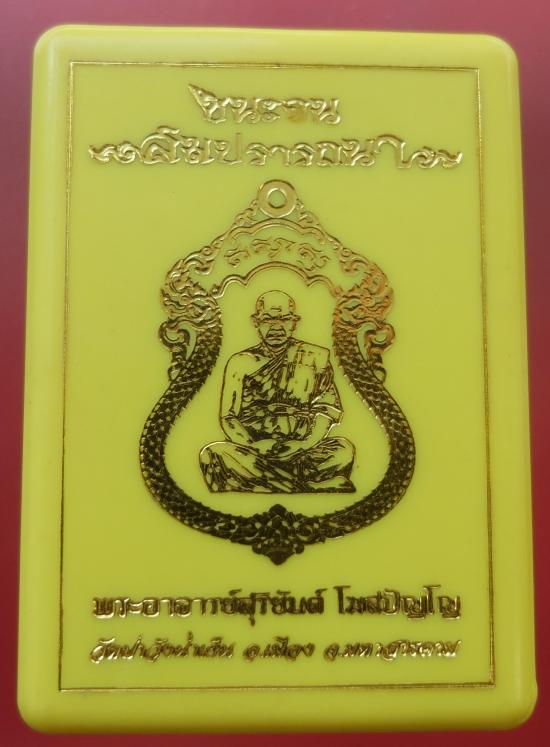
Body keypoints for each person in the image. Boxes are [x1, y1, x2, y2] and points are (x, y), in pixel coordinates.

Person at [199, 290, 355, 493]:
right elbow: (228, 417)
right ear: (256, 322)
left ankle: (271, 484)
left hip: (302, 450)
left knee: (343, 449)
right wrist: (252, 445)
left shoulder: (315, 357)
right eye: (268, 320)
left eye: (284, 319)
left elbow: (327, 409)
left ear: (295, 323)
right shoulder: (240, 362)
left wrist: (303, 444)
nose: (276, 327)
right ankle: (309, 487)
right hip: (255, 450)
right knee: (214, 454)